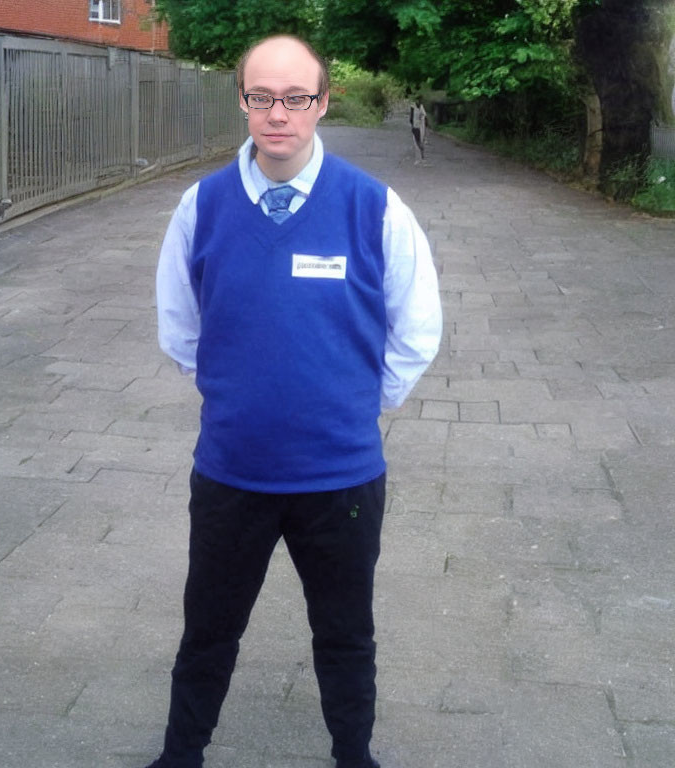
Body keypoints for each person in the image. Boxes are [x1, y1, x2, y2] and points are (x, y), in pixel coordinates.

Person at [150, 34, 442, 768]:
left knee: (345, 633)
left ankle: (353, 755)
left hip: (339, 478)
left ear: (322, 101)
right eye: (261, 96)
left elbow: (418, 327)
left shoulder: (374, 208)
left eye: (296, 97)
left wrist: (351, 404)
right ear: (243, 100)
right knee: (208, 630)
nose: (277, 114)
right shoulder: (202, 206)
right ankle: (181, 754)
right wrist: (241, 395)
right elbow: (181, 329)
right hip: (231, 474)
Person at [409, 98, 429, 164]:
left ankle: (421, 157)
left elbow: (424, 117)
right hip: (415, 126)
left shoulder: (421, 107)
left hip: (420, 127)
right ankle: (419, 158)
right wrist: (412, 126)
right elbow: (411, 118)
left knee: (419, 142)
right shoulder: (413, 106)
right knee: (416, 143)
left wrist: (425, 126)